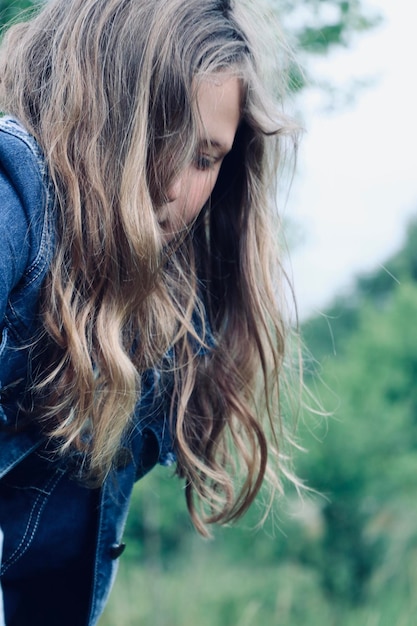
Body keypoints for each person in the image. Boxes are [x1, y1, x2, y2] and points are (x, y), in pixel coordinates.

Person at [0, 0, 299, 624]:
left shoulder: (158, 316)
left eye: (206, 157)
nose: (173, 185)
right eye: (161, 130)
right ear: (97, 102)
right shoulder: (15, 201)